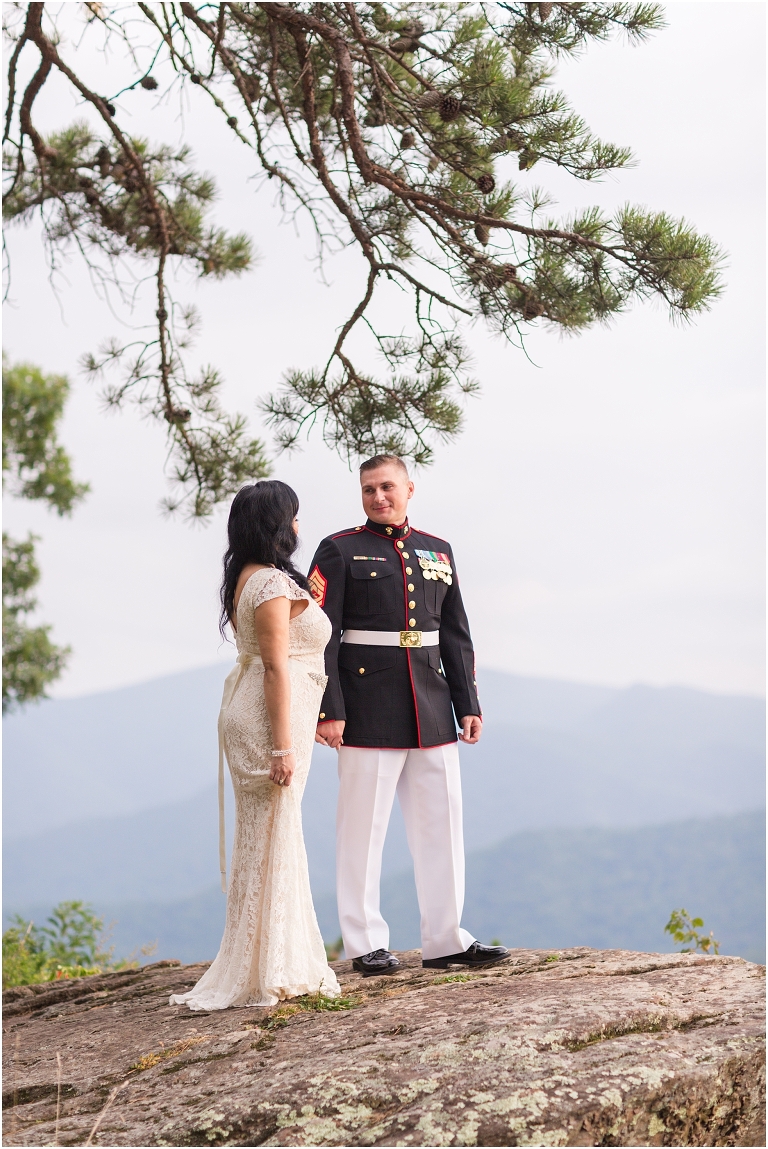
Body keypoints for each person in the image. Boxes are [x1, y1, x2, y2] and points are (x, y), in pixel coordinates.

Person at [309, 455, 509, 976]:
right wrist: (329, 708)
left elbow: (457, 634)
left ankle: (446, 940)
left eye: (388, 487)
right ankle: (364, 943)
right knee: (361, 831)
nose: (379, 497)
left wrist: (468, 703)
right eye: (369, 489)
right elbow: (319, 636)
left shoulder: (437, 550)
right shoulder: (338, 550)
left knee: (442, 826)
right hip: (365, 709)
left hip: (431, 705)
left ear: (409, 489)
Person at [170, 481, 340, 1010]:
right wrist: (283, 747)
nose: (297, 527)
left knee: (269, 834)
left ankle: (270, 955)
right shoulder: (268, 583)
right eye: (293, 516)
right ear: (276, 523)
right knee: (274, 831)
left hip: (276, 714)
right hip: (269, 723)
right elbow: (273, 666)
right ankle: (270, 964)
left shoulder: (252, 575)